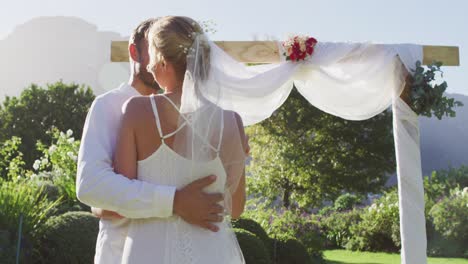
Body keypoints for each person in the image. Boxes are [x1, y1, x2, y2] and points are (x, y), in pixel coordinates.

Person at [76, 18, 227, 264]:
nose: (162, 54)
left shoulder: (197, 114)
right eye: (154, 47)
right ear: (134, 52)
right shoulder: (107, 106)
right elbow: (91, 184)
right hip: (123, 252)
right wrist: (175, 201)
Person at [112, 16, 248, 263]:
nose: (150, 65)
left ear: (162, 60)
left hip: (148, 251)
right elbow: (236, 209)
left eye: (152, 55)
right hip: (211, 253)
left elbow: (122, 199)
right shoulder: (232, 121)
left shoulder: (136, 111)